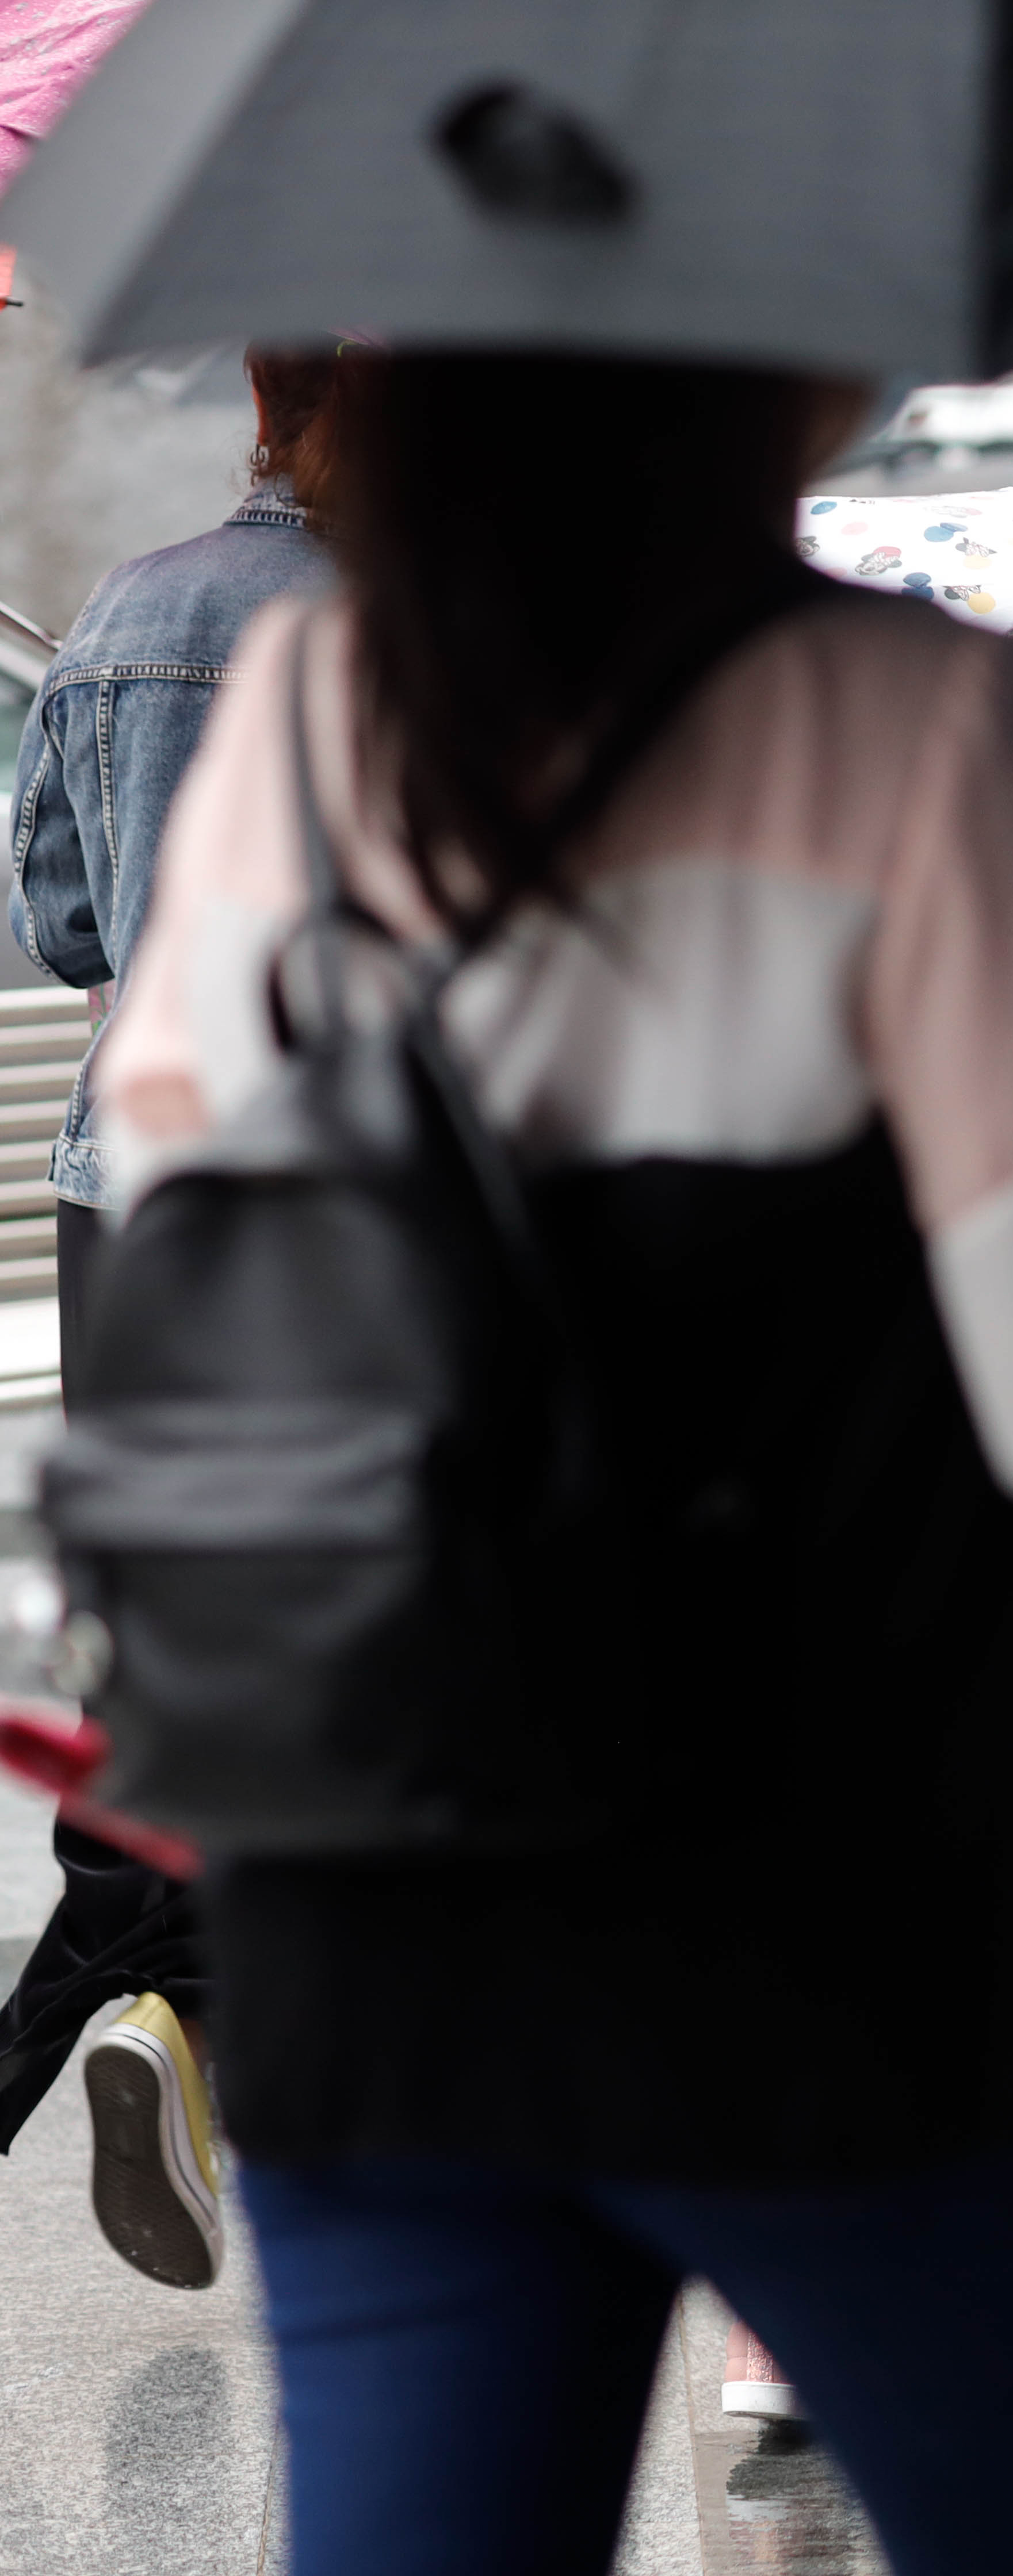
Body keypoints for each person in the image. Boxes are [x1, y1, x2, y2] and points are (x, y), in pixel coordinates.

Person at [92, 348, 1013, 2576]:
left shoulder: (301, 717)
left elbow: (181, 1259)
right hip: (846, 1915)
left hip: (384, 1916)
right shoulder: (914, 718)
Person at [0, 345, 347, 2294]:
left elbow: (57, 914)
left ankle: (163, 2013)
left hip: (122, 1197)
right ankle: (173, 2010)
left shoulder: (128, 610)